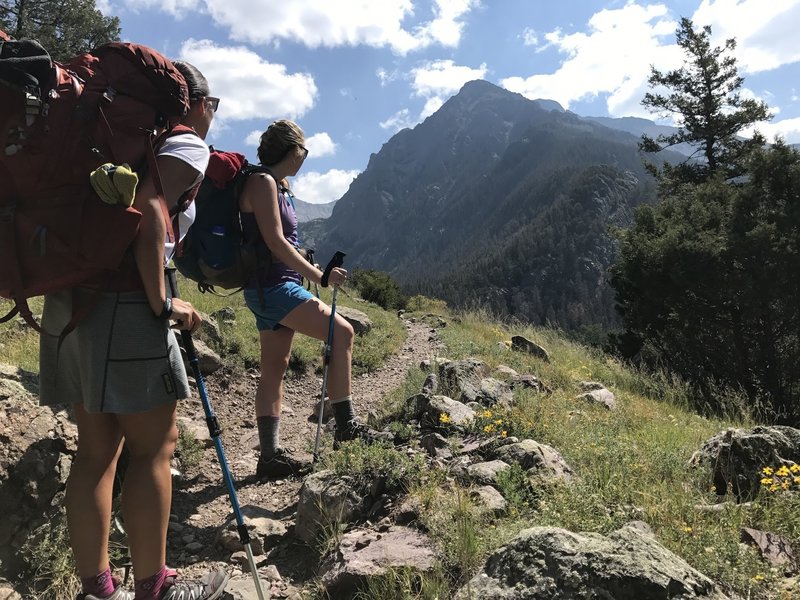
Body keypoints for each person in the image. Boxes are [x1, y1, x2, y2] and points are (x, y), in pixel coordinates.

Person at [38, 61, 229, 600]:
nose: (213, 117)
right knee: (153, 447)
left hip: (70, 295)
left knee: (96, 450)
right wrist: (163, 303)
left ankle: (98, 589)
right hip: (125, 304)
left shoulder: (102, 133)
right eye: (214, 107)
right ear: (196, 102)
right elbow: (149, 214)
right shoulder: (184, 142)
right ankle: (155, 587)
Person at [239, 119, 391, 479]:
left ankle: (270, 456)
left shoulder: (276, 185)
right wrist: (319, 277)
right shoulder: (262, 184)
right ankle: (346, 426)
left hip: (268, 287)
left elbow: (282, 245)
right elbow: (276, 244)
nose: (305, 158)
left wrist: (311, 266)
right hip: (275, 287)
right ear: (294, 152)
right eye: (304, 151)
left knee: (275, 366)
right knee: (342, 333)